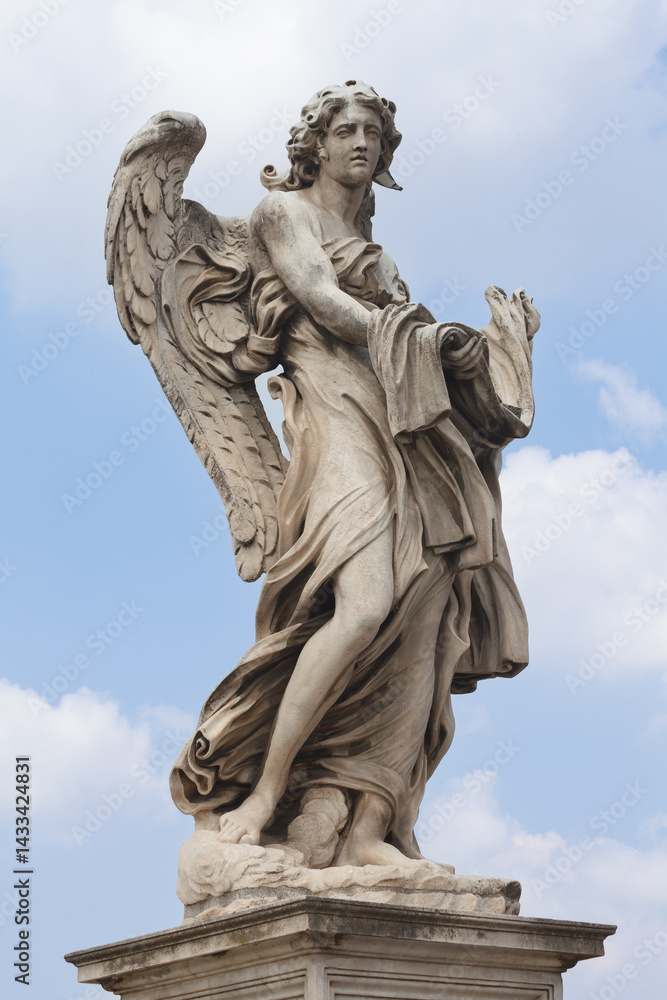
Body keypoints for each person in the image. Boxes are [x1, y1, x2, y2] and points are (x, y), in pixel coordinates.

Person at [170, 81, 539, 868]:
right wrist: (433, 341)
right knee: (365, 597)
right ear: (314, 143)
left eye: (373, 131)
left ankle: (371, 823)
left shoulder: (382, 249)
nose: (361, 143)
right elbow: (322, 301)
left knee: (427, 609)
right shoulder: (284, 213)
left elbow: (409, 350)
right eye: (344, 130)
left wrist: (492, 354)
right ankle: (267, 792)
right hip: (335, 414)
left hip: (404, 425)